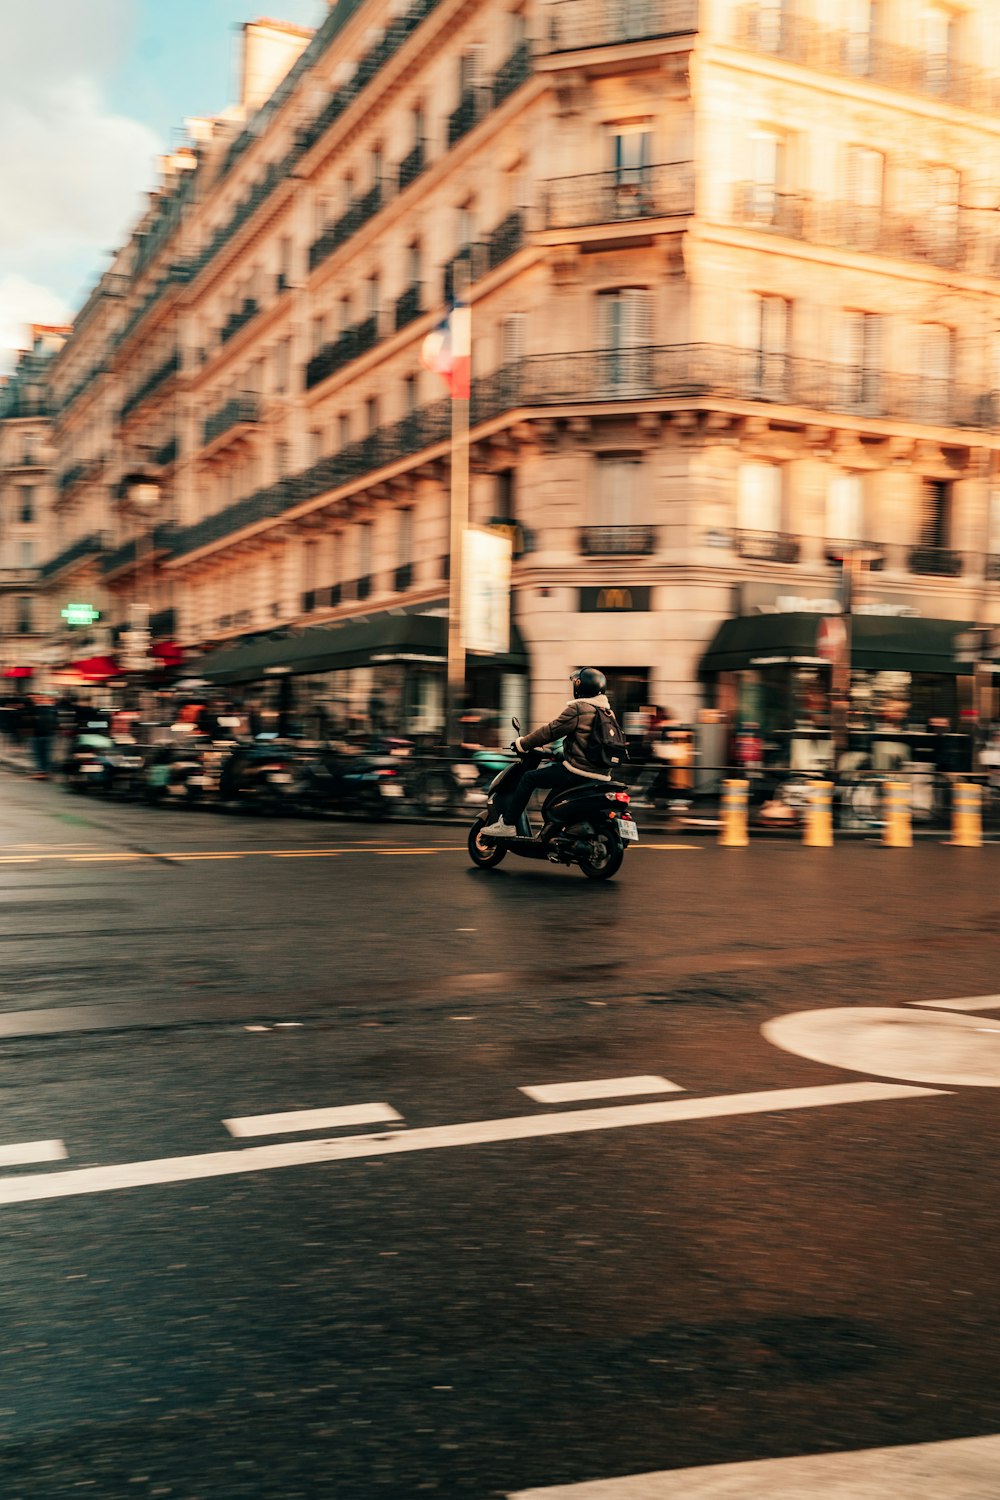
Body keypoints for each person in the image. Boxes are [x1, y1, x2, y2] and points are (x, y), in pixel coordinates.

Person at [481, 667, 619, 838]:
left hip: (578, 772)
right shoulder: (607, 712)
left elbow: (550, 731)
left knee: (528, 778)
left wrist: (522, 743)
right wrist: (560, 754)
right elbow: (589, 745)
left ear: (580, 687)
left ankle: (508, 824)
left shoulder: (580, 709)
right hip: (602, 775)